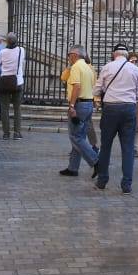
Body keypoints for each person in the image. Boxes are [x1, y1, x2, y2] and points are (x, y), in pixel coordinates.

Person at [93, 46, 138, 193]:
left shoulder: (107, 67)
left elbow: (96, 90)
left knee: (106, 145)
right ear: (127, 55)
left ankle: (102, 180)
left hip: (110, 108)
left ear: (114, 54)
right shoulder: (135, 69)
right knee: (128, 148)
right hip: (128, 108)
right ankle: (126, 184)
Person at [59, 47, 99, 178]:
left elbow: (77, 86)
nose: (68, 57)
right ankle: (73, 168)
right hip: (88, 103)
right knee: (79, 136)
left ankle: (96, 161)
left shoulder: (76, 67)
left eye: (69, 54)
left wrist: (71, 105)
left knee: (76, 137)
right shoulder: (89, 67)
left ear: (75, 55)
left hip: (79, 105)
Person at [0, 33, 25, 139]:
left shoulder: (2, 52)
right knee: (17, 108)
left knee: (4, 108)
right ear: (16, 41)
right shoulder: (21, 50)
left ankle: (6, 133)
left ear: (6, 42)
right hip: (18, 82)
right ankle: (17, 133)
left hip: (5, 81)